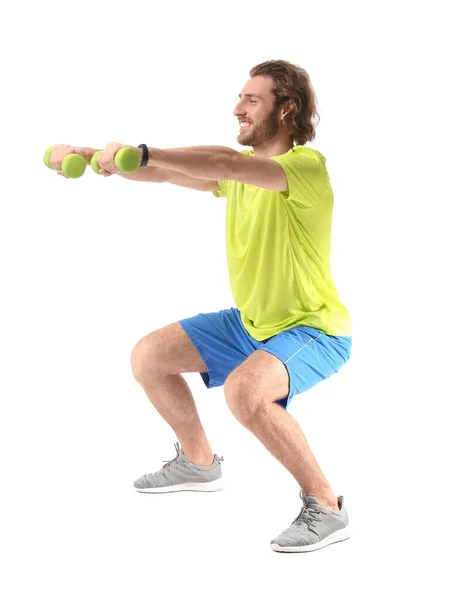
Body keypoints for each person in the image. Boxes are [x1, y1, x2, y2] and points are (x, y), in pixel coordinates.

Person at [50, 59, 352, 553]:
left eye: (251, 100)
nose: (238, 108)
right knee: (149, 356)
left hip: (314, 328)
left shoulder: (303, 169)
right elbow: (168, 173)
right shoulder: (239, 176)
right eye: (241, 98)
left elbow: (223, 162)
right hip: (251, 323)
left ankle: (327, 507)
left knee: (245, 393)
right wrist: (100, 157)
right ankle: (199, 462)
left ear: (287, 109)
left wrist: (143, 150)